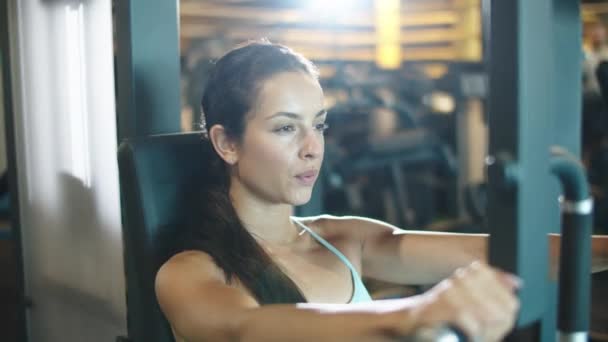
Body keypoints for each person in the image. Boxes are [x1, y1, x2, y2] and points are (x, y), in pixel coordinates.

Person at [155, 40, 606, 342]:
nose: (313, 148)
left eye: (319, 125)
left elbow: (504, 254)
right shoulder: (191, 272)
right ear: (226, 143)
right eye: (286, 128)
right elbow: (245, 328)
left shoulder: (345, 239)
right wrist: (415, 314)